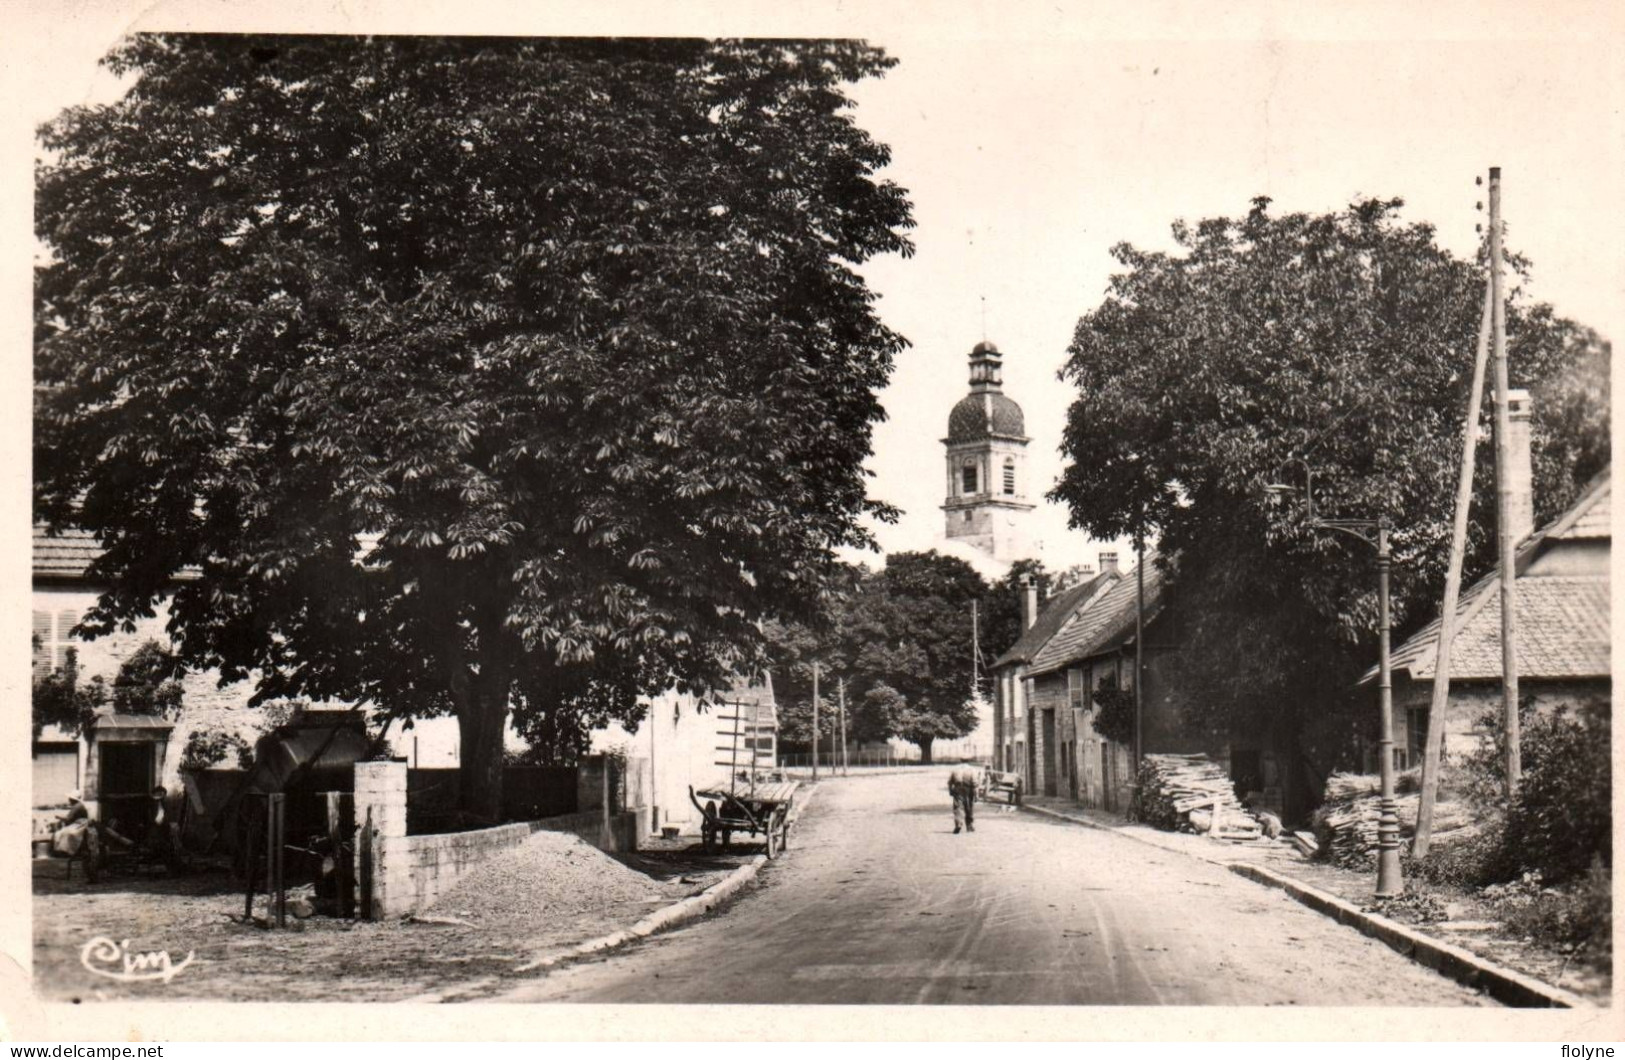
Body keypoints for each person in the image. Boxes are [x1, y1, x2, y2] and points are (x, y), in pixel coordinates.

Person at [947, 766, 979, 834]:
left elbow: (950, 782)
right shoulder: (972, 769)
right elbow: (975, 783)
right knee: (969, 807)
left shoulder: (955, 769)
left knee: (958, 807)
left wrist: (950, 790)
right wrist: (976, 794)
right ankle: (969, 825)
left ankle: (958, 823)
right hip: (968, 790)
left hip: (958, 789)